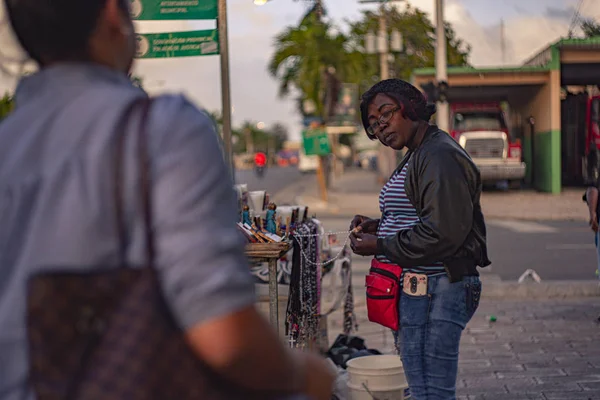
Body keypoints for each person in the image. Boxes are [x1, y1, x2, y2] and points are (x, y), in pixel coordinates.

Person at [0, 0, 334, 399]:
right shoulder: (160, 128)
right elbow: (225, 335)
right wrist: (306, 374)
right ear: (112, 15)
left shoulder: (10, 143)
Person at [348, 79, 491, 400]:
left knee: (432, 392)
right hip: (422, 286)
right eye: (373, 124)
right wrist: (379, 225)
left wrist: (381, 244)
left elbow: (444, 232)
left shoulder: (438, 155)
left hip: (439, 285)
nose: (381, 126)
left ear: (410, 106)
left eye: (385, 113)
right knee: (421, 389)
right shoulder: (419, 151)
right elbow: (423, 212)